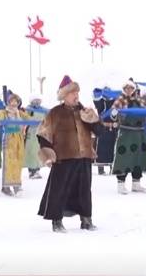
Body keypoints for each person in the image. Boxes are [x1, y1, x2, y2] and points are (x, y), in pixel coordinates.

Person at [37, 75, 100, 233]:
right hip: (63, 157)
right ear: (64, 96)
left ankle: (86, 219)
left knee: (84, 190)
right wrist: (48, 153)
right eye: (72, 93)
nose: (76, 96)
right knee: (59, 190)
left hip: (84, 156)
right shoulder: (55, 113)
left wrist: (93, 119)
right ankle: (56, 221)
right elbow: (43, 133)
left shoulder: (85, 111)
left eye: (77, 92)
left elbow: (100, 132)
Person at [111, 80, 146, 195]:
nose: (128, 90)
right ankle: (121, 184)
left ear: (134, 89)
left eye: (130, 88)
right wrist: (115, 113)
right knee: (124, 158)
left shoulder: (139, 100)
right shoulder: (120, 100)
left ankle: (136, 183)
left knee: (138, 157)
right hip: (126, 132)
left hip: (139, 133)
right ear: (123, 89)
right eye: (126, 88)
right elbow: (112, 114)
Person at [0, 93, 32, 196]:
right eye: (12, 101)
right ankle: (6, 186)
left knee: (18, 161)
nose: (14, 104)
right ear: (8, 102)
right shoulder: (4, 113)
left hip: (19, 138)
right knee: (9, 162)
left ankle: (16, 184)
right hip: (8, 138)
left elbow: (29, 120)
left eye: (16, 102)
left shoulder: (20, 113)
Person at [91, 91, 121, 176]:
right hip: (102, 130)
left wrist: (116, 124)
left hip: (113, 131)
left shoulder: (116, 102)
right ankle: (101, 168)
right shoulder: (100, 102)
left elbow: (118, 115)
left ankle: (112, 167)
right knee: (101, 148)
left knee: (112, 147)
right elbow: (98, 114)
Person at [23, 95, 46, 179]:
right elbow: (24, 119)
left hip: (40, 132)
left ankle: (37, 169)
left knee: (38, 151)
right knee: (31, 151)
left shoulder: (43, 110)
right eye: (35, 100)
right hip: (31, 132)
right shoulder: (29, 109)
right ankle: (32, 170)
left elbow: (46, 119)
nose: (37, 102)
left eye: (38, 100)